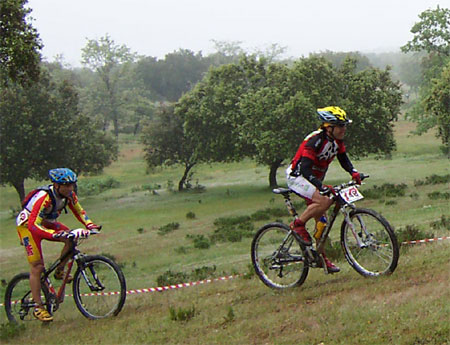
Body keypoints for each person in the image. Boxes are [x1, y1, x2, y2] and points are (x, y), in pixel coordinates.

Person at [16, 168, 101, 322]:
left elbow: (80, 211)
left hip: (45, 222)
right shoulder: (45, 198)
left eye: (72, 185)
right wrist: (53, 235)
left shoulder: (69, 196)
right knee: (37, 266)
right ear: (56, 185)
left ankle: (59, 271)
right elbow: (34, 226)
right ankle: (38, 307)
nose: (70, 188)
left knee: (70, 238)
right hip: (27, 226)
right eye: (66, 185)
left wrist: (90, 225)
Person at [286, 106, 361, 273]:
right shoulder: (315, 141)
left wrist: (353, 172)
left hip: (313, 179)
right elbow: (305, 169)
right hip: (298, 177)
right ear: (329, 127)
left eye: (344, 125)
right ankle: (298, 225)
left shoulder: (336, 141)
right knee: (324, 201)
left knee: (322, 223)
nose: (344, 129)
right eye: (341, 126)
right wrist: (320, 186)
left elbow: (343, 158)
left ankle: (319, 257)